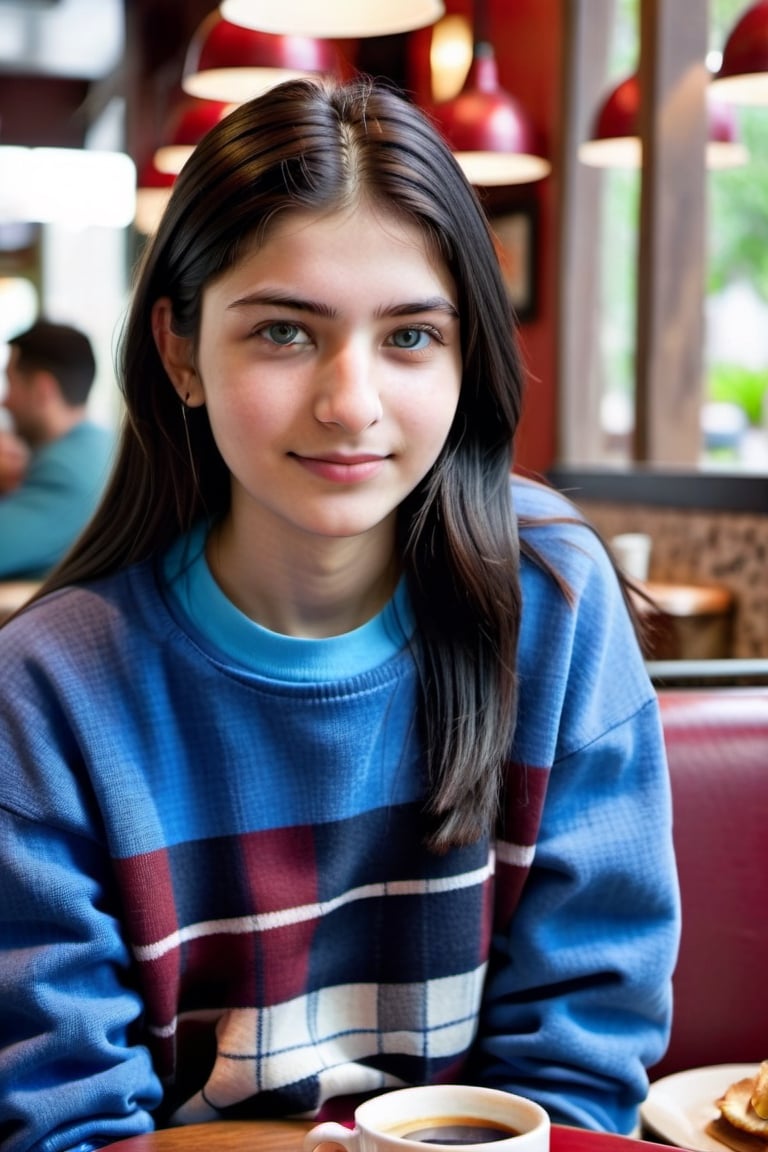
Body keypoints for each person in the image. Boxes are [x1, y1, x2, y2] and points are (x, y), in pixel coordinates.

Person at [0, 76, 680, 1152]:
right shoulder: (48, 695)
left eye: (410, 337)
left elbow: (577, 1066)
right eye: (283, 331)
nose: (351, 402)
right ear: (179, 350)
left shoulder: (550, 599)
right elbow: (66, 1128)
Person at [0, 319, 114, 579]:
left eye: (10, 383)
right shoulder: (104, 446)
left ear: (42, 390)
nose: (4, 401)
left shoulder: (63, 473)